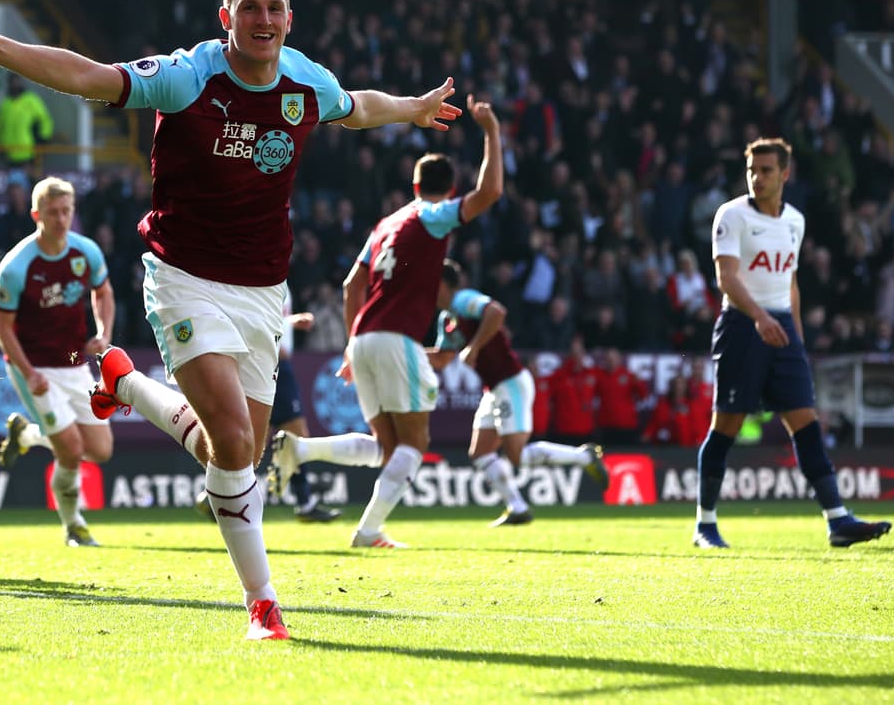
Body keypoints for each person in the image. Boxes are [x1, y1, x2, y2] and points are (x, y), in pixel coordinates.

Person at [0, 0, 462, 639]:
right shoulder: (188, 75)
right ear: (226, 17)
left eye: (274, 8)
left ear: (289, 19)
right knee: (235, 442)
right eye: (250, 7)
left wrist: (413, 108)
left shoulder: (306, 82)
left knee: (236, 453)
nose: (263, 19)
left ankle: (126, 384)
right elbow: (91, 77)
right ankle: (262, 604)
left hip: (263, 289)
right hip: (184, 277)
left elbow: (359, 108)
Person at [271, 104, 504, 549]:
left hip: (364, 338)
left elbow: (351, 285)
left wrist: (351, 344)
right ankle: (368, 530)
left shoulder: (384, 225)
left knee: (386, 447)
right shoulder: (431, 215)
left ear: (414, 185)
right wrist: (492, 131)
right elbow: (490, 192)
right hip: (397, 338)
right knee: (415, 443)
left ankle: (301, 449)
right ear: (448, 190)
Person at [694, 137, 891, 549]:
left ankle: (837, 519)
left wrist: (795, 337)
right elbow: (726, 278)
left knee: (806, 424)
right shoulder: (732, 215)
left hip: (781, 326)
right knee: (726, 426)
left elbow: (791, 282)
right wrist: (760, 317)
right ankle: (705, 524)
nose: (757, 178)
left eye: (766, 170)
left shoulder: (795, 222)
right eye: (752, 170)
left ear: (785, 174)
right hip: (742, 326)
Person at [429, 259, 609, 528]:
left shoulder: (463, 299)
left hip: (510, 382)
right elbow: (442, 358)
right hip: (494, 389)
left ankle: (585, 457)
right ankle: (518, 507)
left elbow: (496, 312)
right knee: (480, 453)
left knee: (517, 457)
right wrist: (405, 352)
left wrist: (474, 348)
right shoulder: (447, 318)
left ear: (443, 284)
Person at [0, 175, 115, 547]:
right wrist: (28, 373)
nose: (61, 219)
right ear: (36, 214)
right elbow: (2, 327)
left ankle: (27, 435)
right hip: (34, 368)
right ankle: (73, 525)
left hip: (74, 361)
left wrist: (103, 333)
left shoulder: (86, 252)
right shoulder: (16, 266)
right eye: (53, 212)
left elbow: (104, 293)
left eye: (66, 211)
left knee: (101, 450)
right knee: (71, 450)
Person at [195, 286, 341, 523]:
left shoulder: (280, 281)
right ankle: (302, 502)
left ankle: (216, 495)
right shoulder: (261, 278)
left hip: (273, 363)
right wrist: (284, 330)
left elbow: (264, 315)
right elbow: (249, 314)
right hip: (268, 363)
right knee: (287, 435)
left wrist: (289, 322)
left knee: (265, 436)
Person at [0, 73, 53, 169]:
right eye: (12, 82)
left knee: (30, 176)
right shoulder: (5, 104)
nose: (15, 85)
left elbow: (44, 120)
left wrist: (43, 139)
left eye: (17, 81)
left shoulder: (31, 100)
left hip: (28, 152)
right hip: (9, 152)